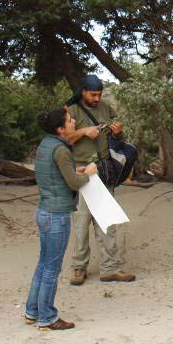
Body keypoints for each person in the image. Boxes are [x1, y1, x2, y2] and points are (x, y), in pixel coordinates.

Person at [25, 108, 97, 331]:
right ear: (60, 128)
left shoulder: (46, 145)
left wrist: (77, 171)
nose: (73, 121)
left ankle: (32, 312)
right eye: (69, 120)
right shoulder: (61, 149)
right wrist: (90, 172)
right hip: (56, 215)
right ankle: (47, 318)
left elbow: (58, 172)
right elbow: (74, 184)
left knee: (43, 264)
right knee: (51, 269)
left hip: (44, 211)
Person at [67, 75, 136, 285]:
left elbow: (116, 137)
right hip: (80, 172)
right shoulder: (71, 111)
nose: (97, 98)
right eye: (93, 94)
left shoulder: (106, 107)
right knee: (81, 223)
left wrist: (117, 132)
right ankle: (79, 269)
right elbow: (66, 138)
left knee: (106, 222)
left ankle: (110, 269)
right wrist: (84, 132)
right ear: (83, 92)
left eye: (99, 94)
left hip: (103, 171)